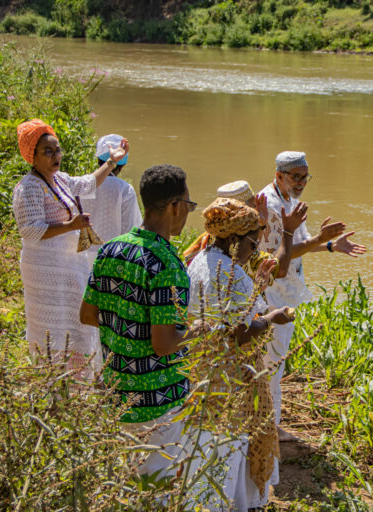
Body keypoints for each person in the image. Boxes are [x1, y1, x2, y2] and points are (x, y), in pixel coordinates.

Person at [80, 164, 239, 509]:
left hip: (115, 391)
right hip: (157, 399)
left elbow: (88, 314)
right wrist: (199, 330)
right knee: (156, 491)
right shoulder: (167, 264)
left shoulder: (112, 249)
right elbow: (164, 343)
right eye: (188, 205)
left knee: (121, 484)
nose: (187, 213)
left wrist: (125, 328)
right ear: (174, 207)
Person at [186, 197, 307, 507]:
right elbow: (240, 333)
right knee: (236, 442)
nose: (256, 248)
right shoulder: (232, 274)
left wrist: (258, 284)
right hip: (233, 375)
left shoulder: (200, 260)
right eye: (253, 242)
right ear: (234, 239)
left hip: (203, 368)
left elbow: (225, 320)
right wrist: (272, 317)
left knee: (210, 439)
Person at [258, 151, 366, 437]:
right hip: (270, 291)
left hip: (284, 289)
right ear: (278, 174)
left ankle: (266, 421)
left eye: (305, 177)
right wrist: (320, 240)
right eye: (296, 177)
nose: (302, 182)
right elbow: (275, 255)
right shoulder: (270, 205)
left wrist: (328, 246)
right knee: (274, 360)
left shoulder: (290, 201)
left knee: (273, 360)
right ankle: (271, 427)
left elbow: (298, 244)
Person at [12, 118, 128, 380]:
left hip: (68, 268)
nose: (56, 156)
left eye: (58, 150)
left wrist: (111, 162)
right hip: (43, 272)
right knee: (50, 327)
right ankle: (50, 383)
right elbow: (30, 231)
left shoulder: (59, 179)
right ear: (32, 156)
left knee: (75, 323)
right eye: (48, 151)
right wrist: (70, 225)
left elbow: (88, 182)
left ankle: (74, 384)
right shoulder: (28, 187)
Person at [183, 181, 280, 287]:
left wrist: (261, 225)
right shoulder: (235, 251)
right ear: (238, 215)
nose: (257, 212)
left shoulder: (215, 237)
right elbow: (278, 269)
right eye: (253, 208)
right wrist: (289, 232)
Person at [82, 133, 142, 268]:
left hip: (81, 259)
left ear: (97, 158)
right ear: (124, 162)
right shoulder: (124, 189)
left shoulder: (82, 184)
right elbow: (131, 230)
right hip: (112, 260)